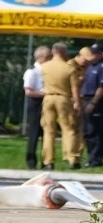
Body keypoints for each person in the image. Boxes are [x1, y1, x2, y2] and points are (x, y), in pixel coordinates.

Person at [39, 42, 81, 170]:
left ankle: (48, 161)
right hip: (63, 99)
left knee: (48, 130)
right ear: (64, 52)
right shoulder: (69, 68)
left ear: (53, 52)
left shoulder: (44, 67)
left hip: (48, 98)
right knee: (69, 129)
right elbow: (75, 88)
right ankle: (72, 158)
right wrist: (77, 102)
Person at [78, 45, 103, 167]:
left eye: (94, 53)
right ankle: (91, 156)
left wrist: (93, 102)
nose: (91, 55)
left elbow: (102, 87)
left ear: (99, 54)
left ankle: (96, 159)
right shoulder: (90, 67)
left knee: (95, 131)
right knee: (88, 131)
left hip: (96, 101)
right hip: (86, 98)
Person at [22, 46, 48, 170]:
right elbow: (29, 91)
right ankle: (31, 161)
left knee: (46, 133)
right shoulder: (32, 71)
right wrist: (45, 94)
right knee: (34, 132)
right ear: (40, 57)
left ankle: (46, 161)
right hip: (36, 102)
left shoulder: (48, 70)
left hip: (47, 102)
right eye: (48, 57)